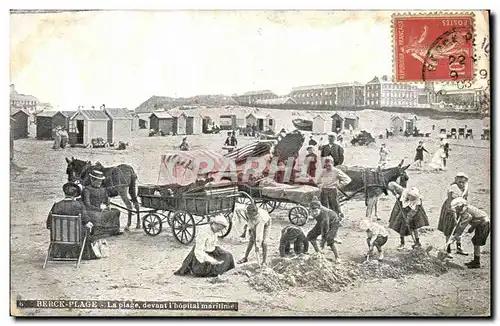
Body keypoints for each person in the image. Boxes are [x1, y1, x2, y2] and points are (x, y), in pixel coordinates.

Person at [46, 183, 99, 260]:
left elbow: (49, 224)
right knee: (87, 228)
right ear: (75, 194)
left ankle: (61, 253)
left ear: (65, 193)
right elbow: (87, 221)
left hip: (58, 237)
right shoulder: (78, 205)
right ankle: (83, 253)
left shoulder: (56, 205)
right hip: (75, 237)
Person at [387, 181, 429, 250]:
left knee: (414, 226)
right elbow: (391, 184)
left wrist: (408, 219)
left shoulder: (417, 202)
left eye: (412, 198)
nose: (410, 198)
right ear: (409, 195)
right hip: (403, 210)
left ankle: (417, 242)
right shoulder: (404, 194)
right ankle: (402, 243)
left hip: (414, 213)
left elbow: (412, 212)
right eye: (410, 197)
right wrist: (394, 193)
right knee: (401, 226)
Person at [450, 198, 490, 269]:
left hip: (484, 224)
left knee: (477, 243)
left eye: (456, 208)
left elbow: (463, 225)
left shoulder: (466, 213)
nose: (456, 210)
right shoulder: (465, 209)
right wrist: (456, 233)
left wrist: (456, 235)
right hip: (480, 223)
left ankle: (477, 262)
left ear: (459, 206)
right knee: (475, 242)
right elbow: (462, 223)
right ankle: (475, 260)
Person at [437, 172, 470, 258]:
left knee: (459, 228)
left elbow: (465, 199)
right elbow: (450, 201)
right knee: (449, 229)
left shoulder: (465, 188)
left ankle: (459, 247)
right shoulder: (453, 188)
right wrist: (453, 215)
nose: (461, 184)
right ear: (456, 181)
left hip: (460, 209)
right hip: (450, 209)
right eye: (459, 182)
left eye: (463, 182)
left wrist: (463, 209)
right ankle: (448, 249)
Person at [82, 170, 122, 237]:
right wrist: (100, 210)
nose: (99, 183)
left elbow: (106, 200)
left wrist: (108, 205)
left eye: (100, 181)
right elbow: (87, 204)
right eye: (97, 181)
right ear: (92, 180)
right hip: (91, 210)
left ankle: (114, 230)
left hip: (102, 209)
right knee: (97, 215)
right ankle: (98, 231)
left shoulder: (102, 189)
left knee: (116, 211)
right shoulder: (87, 190)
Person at [307, 197, 342, 262]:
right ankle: (318, 252)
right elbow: (314, 198)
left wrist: (322, 243)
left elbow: (325, 230)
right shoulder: (314, 209)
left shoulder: (324, 214)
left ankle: (337, 257)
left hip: (333, 222)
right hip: (321, 222)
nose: (314, 213)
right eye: (312, 211)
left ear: (320, 209)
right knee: (310, 236)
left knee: (329, 239)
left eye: (316, 211)